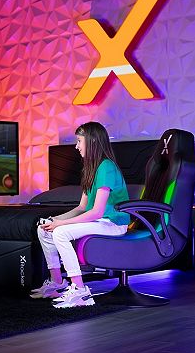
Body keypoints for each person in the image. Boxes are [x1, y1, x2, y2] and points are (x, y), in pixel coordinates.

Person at [31, 122, 130, 308]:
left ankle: (80, 290)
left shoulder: (106, 167)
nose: (76, 146)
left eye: (79, 141)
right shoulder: (90, 168)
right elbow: (82, 207)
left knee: (60, 233)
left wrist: (61, 225)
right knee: (44, 230)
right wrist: (56, 220)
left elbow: (97, 211)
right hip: (100, 221)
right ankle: (57, 283)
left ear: (92, 141)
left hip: (113, 223)